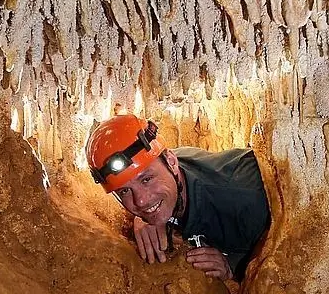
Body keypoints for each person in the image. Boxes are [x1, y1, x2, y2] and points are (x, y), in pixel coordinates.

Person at [85, 114, 270, 281]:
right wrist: (145, 218)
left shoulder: (245, 202)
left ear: (172, 162)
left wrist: (233, 266)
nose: (141, 200)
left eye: (147, 179)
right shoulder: (163, 167)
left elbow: (278, 262)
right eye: (124, 191)